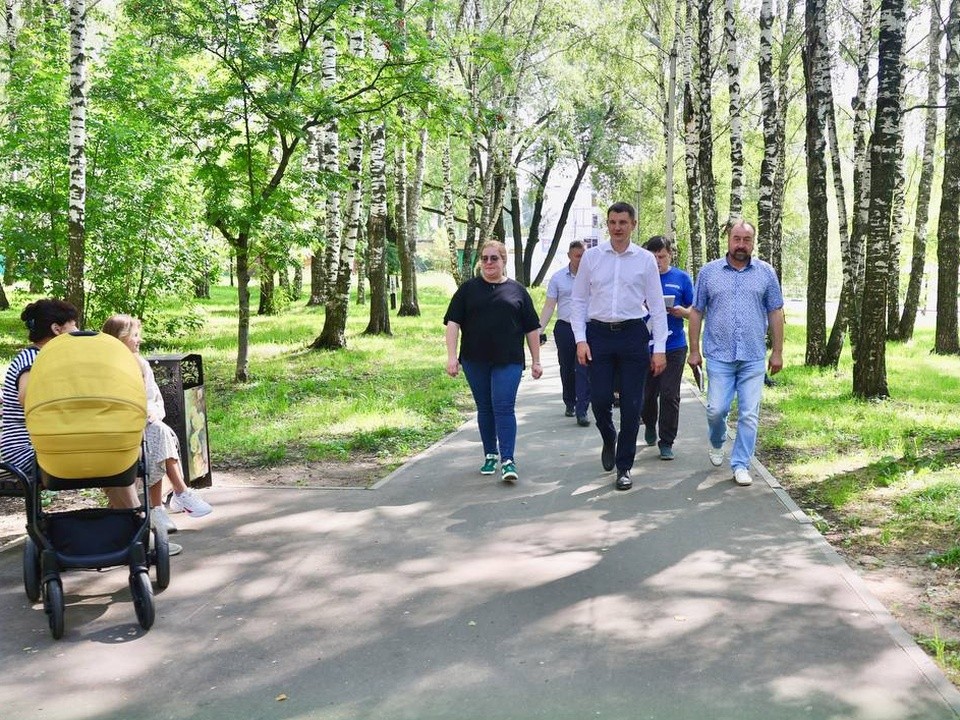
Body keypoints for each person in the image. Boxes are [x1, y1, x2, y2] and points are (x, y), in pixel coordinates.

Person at [0, 299, 140, 510]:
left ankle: (124, 522)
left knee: (112, 453)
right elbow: (27, 397)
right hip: (28, 447)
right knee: (106, 454)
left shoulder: (53, 358)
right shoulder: (33, 358)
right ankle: (136, 521)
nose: (78, 333)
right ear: (57, 329)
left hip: (52, 441)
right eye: (73, 327)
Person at [571, 202, 668, 491]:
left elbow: (657, 306)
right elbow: (578, 300)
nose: (617, 228)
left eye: (623, 222)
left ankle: (624, 466)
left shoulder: (644, 260)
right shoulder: (592, 257)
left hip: (632, 335)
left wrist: (659, 347)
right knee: (599, 400)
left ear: (633, 225)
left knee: (631, 404)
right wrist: (580, 339)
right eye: (612, 222)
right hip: (598, 334)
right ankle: (608, 437)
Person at [687, 219, 784, 487]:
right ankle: (717, 440)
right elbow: (696, 311)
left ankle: (741, 464)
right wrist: (694, 350)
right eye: (737, 239)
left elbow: (775, 311)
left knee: (749, 413)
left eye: (746, 240)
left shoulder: (765, 273)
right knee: (716, 410)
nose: (741, 245)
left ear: (753, 243)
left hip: (753, 356)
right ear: (728, 240)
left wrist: (777, 352)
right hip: (719, 355)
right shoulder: (709, 272)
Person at [102, 314, 213, 533]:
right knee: (157, 436)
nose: (139, 340)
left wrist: (150, 413)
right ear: (119, 338)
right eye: (134, 335)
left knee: (158, 432)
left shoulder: (142, 364)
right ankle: (169, 500)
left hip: (144, 427)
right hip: (118, 431)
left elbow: (155, 400)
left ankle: (167, 503)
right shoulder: (105, 368)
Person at [444, 240, 543, 482]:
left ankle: (508, 460)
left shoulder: (517, 291)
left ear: (503, 261)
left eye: (494, 258)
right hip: (474, 359)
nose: (489, 263)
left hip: (508, 360)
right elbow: (453, 324)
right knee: (485, 408)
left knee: (503, 406)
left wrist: (536, 361)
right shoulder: (467, 290)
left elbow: (532, 328)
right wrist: (451, 357)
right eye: (485, 258)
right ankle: (490, 454)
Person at [640, 235, 694, 461]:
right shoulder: (640, 277)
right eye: (652, 257)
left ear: (670, 255)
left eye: (661, 256)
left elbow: (695, 311)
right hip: (645, 346)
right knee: (647, 395)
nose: (657, 261)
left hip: (674, 345)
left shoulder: (681, 278)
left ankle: (667, 441)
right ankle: (649, 423)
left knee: (670, 394)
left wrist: (681, 311)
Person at [538, 240, 591, 427]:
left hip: (588, 327)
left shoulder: (593, 276)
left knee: (584, 368)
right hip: (565, 328)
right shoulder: (558, 278)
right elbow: (549, 306)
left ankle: (583, 409)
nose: (581, 260)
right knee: (567, 367)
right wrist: (539, 330)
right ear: (569, 256)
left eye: (584, 255)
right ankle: (570, 401)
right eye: (577, 256)